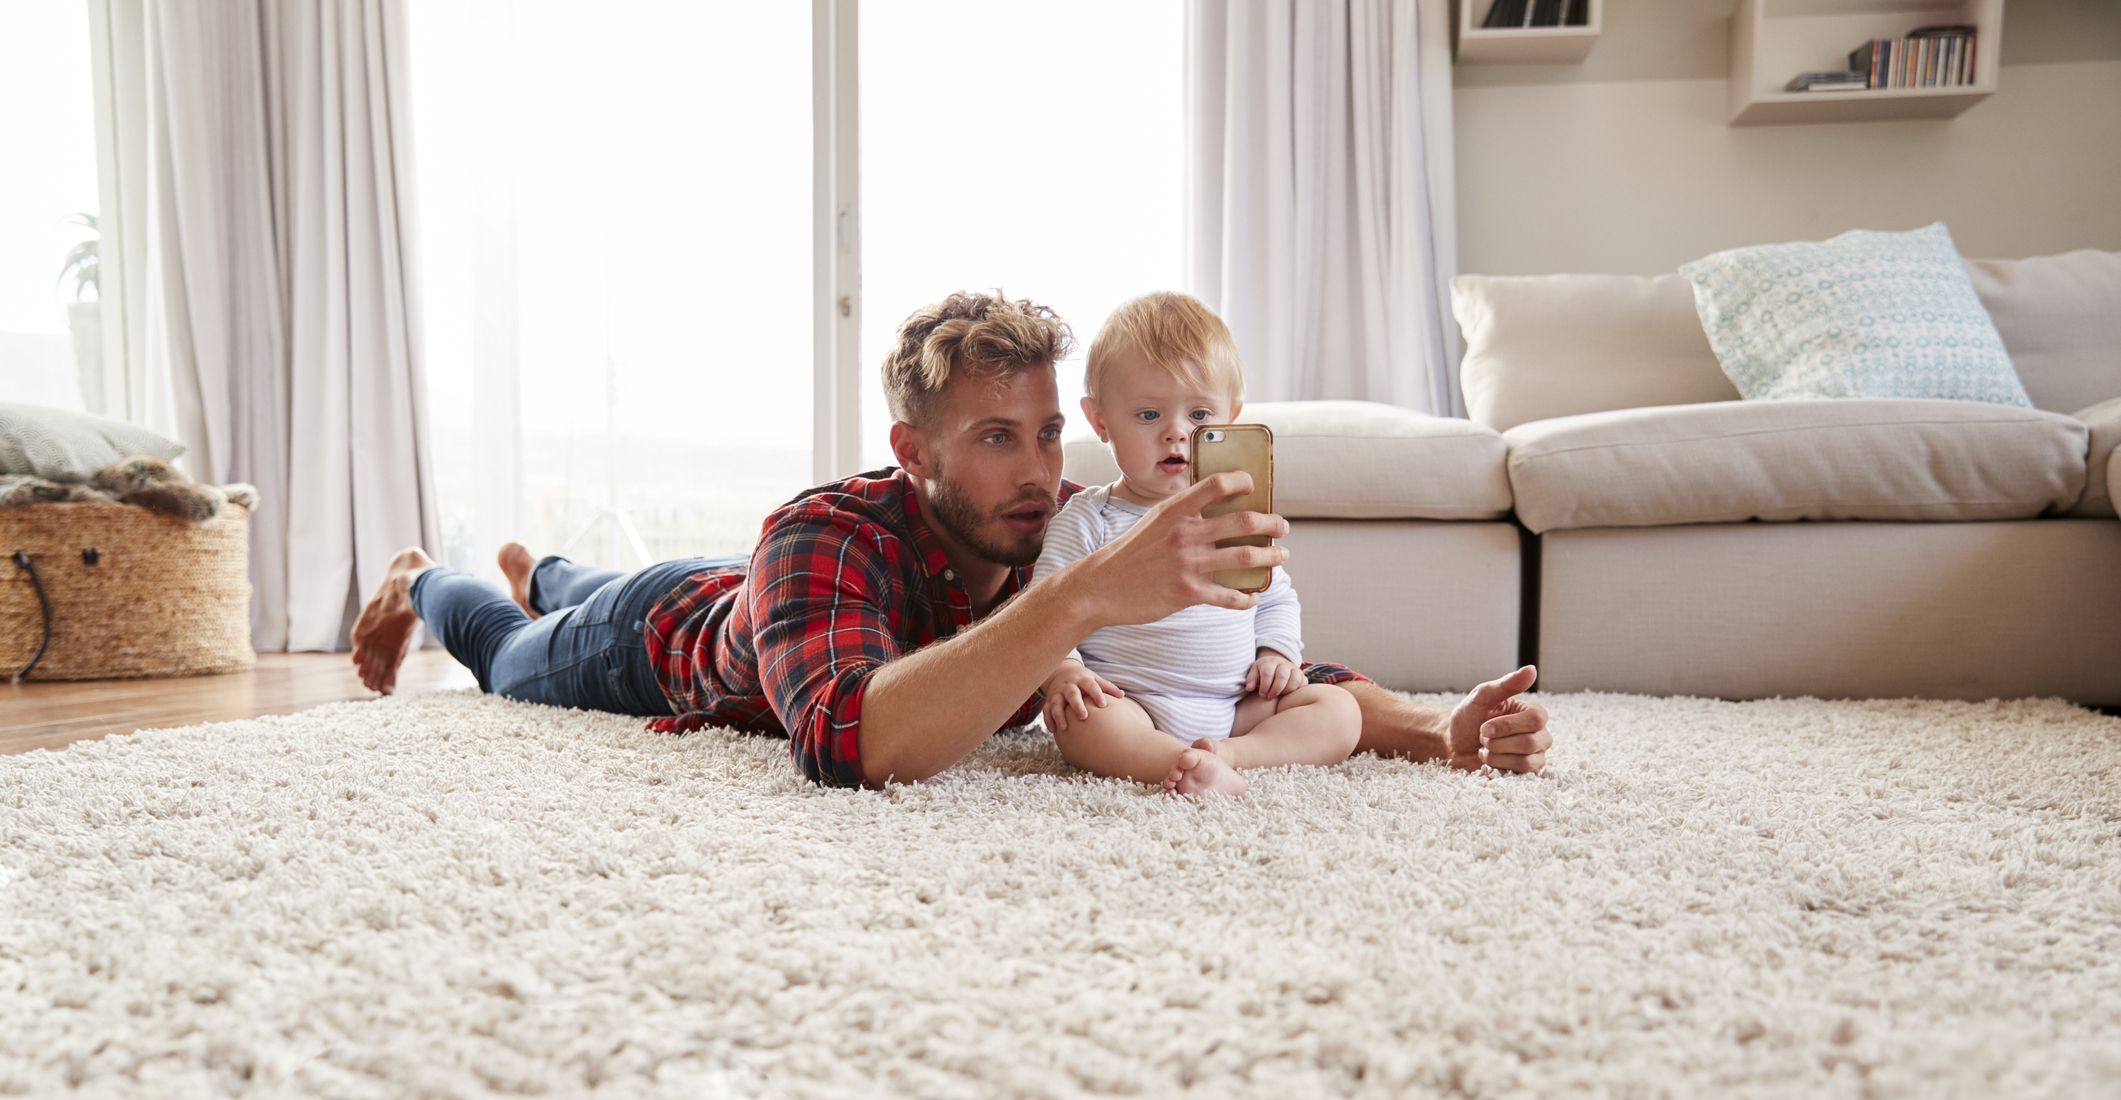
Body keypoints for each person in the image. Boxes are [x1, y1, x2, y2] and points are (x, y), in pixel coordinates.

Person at [350, 291, 1552, 787]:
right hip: (660, 642)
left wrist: (1433, 729)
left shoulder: (1068, 521)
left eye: (1044, 433)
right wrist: (1078, 608)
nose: (1038, 472)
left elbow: (1234, 664)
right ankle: (436, 577)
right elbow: (843, 741)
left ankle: (547, 562)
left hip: (727, 596)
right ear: (913, 451)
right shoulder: (818, 536)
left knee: (572, 574)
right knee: (514, 651)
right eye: (995, 439)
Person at [1032, 292, 1357, 799]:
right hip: (1131, 700)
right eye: (1147, 415)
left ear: (1232, 417)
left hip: (1234, 706)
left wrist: (1276, 653)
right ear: (1100, 422)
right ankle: (1170, 762)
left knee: (1340, 712)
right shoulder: (1089, 520)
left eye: (1200, 415)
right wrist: (1065, 671)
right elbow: (1046, 607)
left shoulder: (1234, 519)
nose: (1176, 433)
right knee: (1083, 720)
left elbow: (1272, 595)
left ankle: (1228, 756)